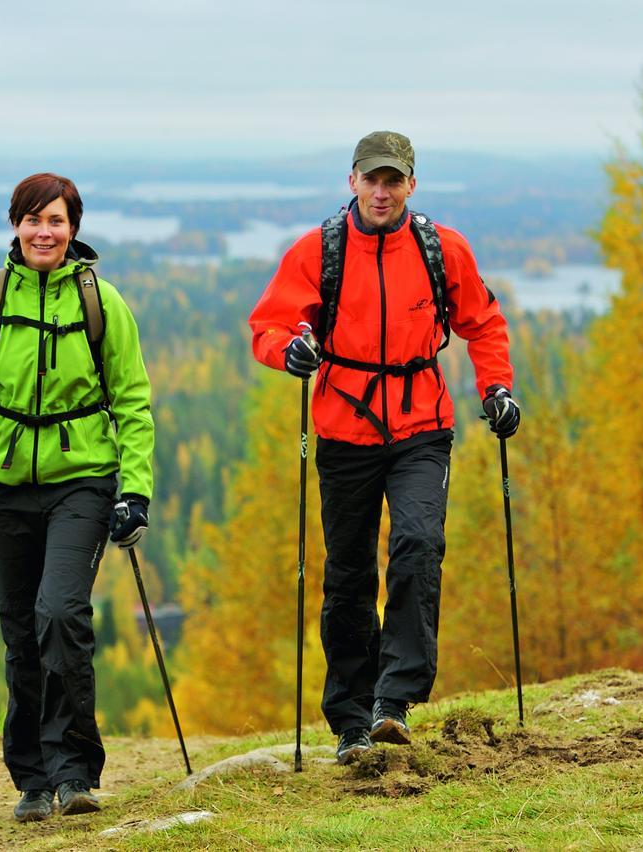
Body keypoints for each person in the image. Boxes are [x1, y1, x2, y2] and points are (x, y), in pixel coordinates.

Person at [248, 131, 520, 764]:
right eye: (371, 179)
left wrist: (498, 389)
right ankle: (350, 719)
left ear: (410, 187)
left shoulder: (441, 248)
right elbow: (268, 325)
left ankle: (393, 702)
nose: (380, 190)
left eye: (392, 180)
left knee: (418, 543)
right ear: (351, 182)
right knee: (347, 575)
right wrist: (290, 349)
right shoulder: (318, 250)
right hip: (345, 426)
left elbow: (483, 322)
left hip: (423, 422)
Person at [0, 172, 154, 822]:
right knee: (20, 633)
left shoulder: (102, 303)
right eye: (33, 219)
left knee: (60, 614)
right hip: (1, 482)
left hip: (81, 479)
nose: (44, 232)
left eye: (55, 221)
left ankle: (75, 773)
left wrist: (134, 493)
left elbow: (135, 404)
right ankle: (31, 779)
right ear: (15, 225)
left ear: (73, 230)